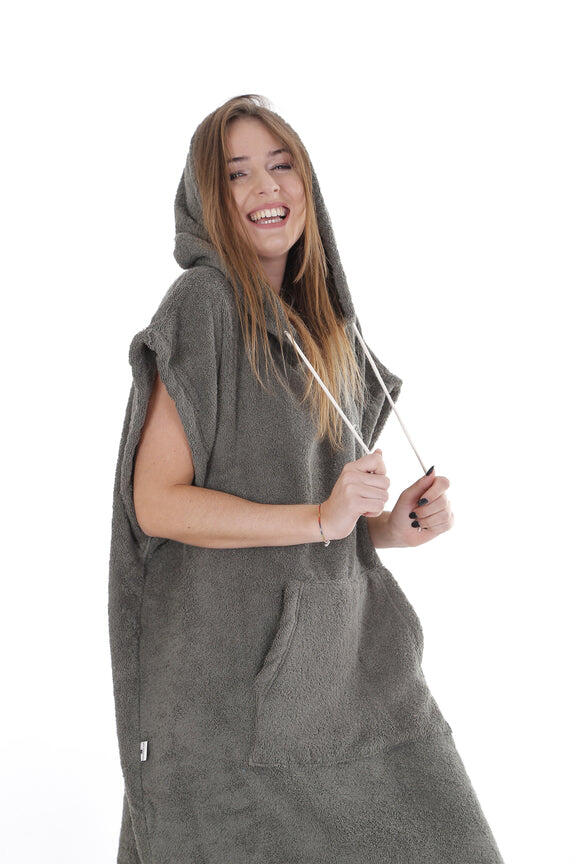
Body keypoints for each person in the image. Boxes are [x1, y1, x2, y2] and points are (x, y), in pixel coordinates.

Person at [108, 94, 505, 864]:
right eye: (237, 174)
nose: (266, 187)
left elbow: (316, 511)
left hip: (344, 672)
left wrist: (385, 529)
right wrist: (321, 518)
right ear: (207, 201)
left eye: (281, 165)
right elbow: (155, 503)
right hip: (230, 694)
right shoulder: (204, 303)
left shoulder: (319, 325)